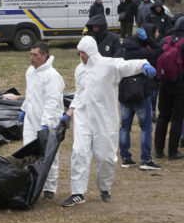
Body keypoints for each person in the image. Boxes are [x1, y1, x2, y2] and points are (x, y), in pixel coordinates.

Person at [61, 36, 155, 207]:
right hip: (84, 117)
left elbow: (126, 65)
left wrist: (143, 65)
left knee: (106, 157)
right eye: (79, 53)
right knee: (79, 153)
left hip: (105, 119)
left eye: (83, 53)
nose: (81, 56)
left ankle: (104, 187)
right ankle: (77, 192)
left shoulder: (108, 65)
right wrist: (71, 111)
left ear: (90, 52)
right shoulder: (79, 70)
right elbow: (80, 92)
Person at [18, 43, 65, 199]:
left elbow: (53, 101)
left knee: (48, 154)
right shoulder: (30, 72)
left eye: (35, 55)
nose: (32, 58)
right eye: (30, 54)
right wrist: (24, 109)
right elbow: (30, 93)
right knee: (29, 152)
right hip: (31, 120)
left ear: (44, 56)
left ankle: (49, 188)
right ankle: (32, 183)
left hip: (47, 122)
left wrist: (46, 123)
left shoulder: (52, 76)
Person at [118, 24, 162, 170]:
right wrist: (149, 39)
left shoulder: (122, 50)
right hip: (141, 92)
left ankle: (125, 157)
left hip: (124, 92)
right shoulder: (142, 52)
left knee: (125, 127)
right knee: (146, 127)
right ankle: (145, 160)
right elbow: (159, 50)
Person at [154, 16, 184, 160]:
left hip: (164, 83)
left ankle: (159, 150)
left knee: (163, 116)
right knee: (177, 119)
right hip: (180, 86)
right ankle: (173, 152)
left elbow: (156, 58)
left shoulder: (165, 40)